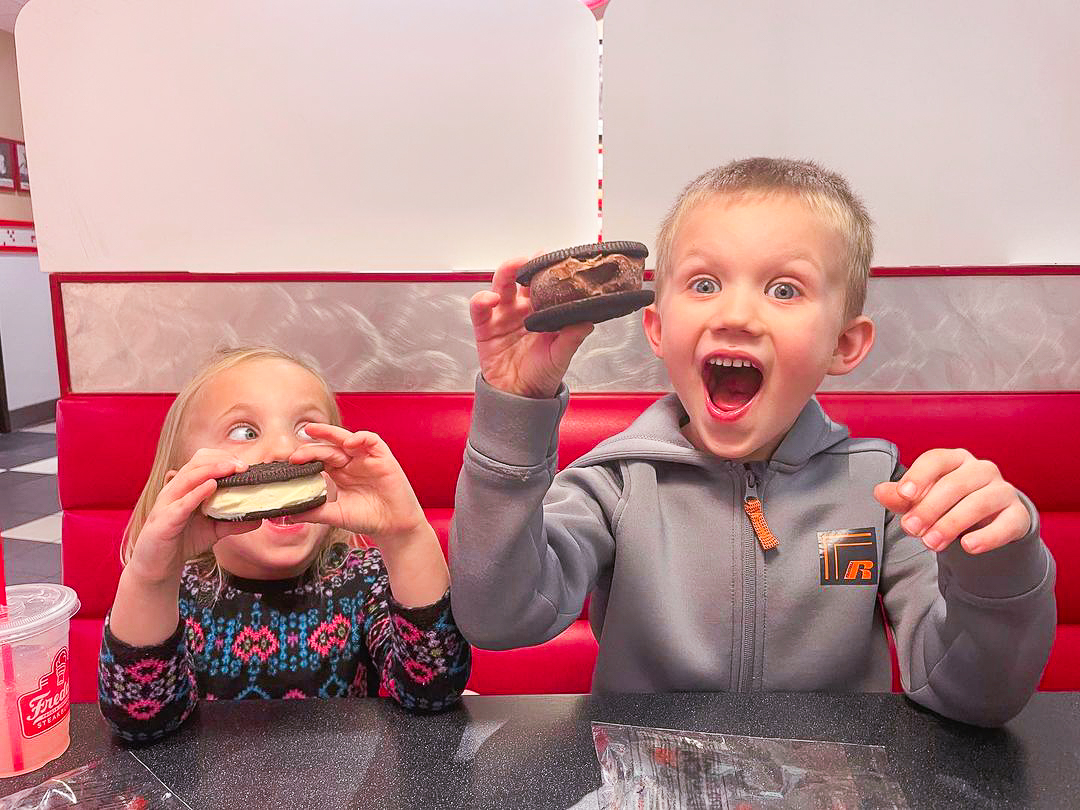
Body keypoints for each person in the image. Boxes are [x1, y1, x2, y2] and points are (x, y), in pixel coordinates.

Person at [450, 157, 1056, 726]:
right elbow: (499, 617)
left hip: (831, 777)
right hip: (650, 774)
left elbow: (975, 697)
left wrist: (996, 563)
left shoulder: (883, 495)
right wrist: (513, 411)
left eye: (784, 289)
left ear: (843, 345)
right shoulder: (613, 485)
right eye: (704, 284)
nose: (735, 315)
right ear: (657, 329)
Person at [99, 347, 470, 742]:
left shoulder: (364, 579)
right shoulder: (176, 595)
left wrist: (406, 536)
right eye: (245, 432)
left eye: (306, 430)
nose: (283, 452)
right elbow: (141, 722)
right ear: (183, 489)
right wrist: (152, 578)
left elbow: (433, 690)